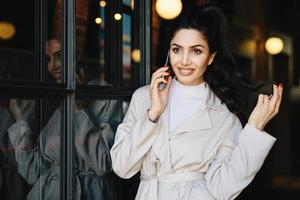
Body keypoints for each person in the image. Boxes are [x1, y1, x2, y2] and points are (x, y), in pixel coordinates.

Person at [110, 5, 283, 200]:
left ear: (210, 57)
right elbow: (121, 167)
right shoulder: (144, 98)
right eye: (177, 49)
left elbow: (224, 189)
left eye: (196, 51)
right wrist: (153, 114)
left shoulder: (223, 114)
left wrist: (254, 129)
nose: (184, 61)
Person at [7, 39, 119, 200]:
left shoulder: (108, 97)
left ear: (79, 55)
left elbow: (103, 163)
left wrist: (80, 110)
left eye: (59, 56)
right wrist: (21, 123)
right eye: (48, 59)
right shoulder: (57, 102)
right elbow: (32, 173)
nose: (53, 66)